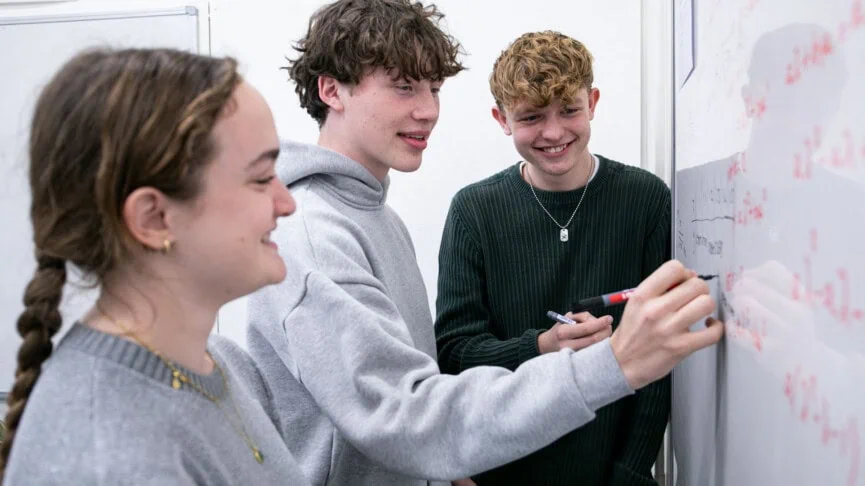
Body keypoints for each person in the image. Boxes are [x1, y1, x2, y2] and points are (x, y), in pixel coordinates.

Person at [245, 1, 724, 485]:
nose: (428, 111)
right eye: (404, 86)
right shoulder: (314, 234)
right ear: (332, 90)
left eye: (434, 89)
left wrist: (451, 471)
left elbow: (414, 389)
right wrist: (611, 362)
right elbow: (409, 417)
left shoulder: (378, 218)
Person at [0, 47, 309, 486]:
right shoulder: (105, 458)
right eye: (260, 179)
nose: (288, 202)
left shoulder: (215, 362)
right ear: (154, 218)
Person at [434, 31, 671, 485]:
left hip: (612, 471)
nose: (554, 132)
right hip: (499, 471)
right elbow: (454, 354)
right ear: (501, 118)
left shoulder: (646, 200)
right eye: (531, 117)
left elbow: (660, 364)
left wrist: (630, 475)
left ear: (593, 102)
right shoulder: (473, 211)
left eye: (569, 110)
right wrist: (541, 346)